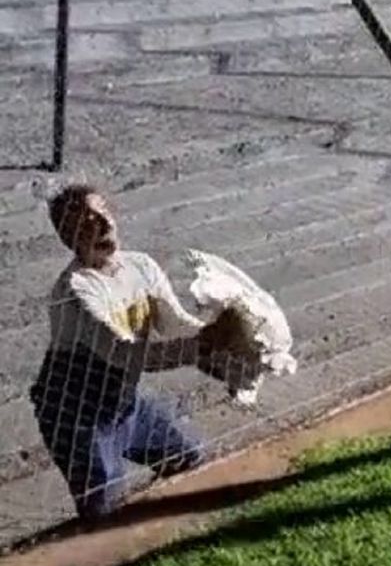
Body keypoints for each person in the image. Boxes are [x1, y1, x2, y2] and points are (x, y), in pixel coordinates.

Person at [30, 183, 251, 518]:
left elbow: (176, 323)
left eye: (102, 214)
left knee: (189, 457)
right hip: (77, 418)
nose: (101, 226)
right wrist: (204, 345)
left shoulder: (141, 267)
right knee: (103, 511)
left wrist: (221, 337)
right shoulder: (75, 291)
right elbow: (127, 355)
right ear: (68, 238)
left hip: (126, 403)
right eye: (86, 223)